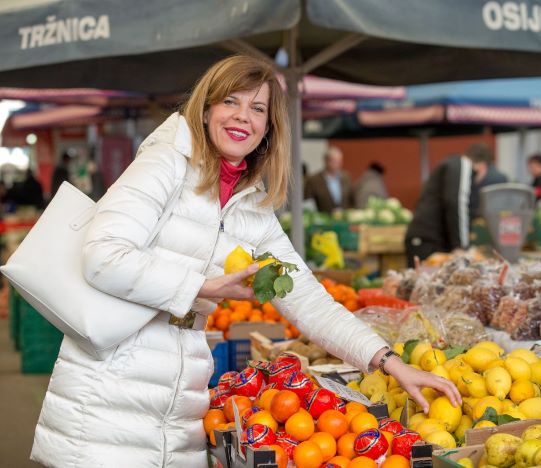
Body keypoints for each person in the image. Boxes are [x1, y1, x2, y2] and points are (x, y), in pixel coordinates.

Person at [30, 55, 459, 468]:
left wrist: (390, 362)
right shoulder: (165, 163)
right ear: (205, 109)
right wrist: (206, 287)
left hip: (183, 389)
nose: (243, 117)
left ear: (268, 129)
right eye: (230, 101)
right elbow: (103, 256)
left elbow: (308, 300)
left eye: (257, 108)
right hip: (111, 384)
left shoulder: (251, 208)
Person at [404, 143, 507, 264]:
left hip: (424, 240)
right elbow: (457, 203)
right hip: (429, 242)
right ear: (483, 167)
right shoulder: (464, 165)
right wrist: (461, 246)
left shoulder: (451, 165)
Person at [304, 146, 353, 213]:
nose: (337, 165)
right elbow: (308, 203)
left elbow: (351, 198)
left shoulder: (346, 177)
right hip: (322, 219)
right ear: (326, 161)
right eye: (334, 161)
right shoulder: (313, 180)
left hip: (343, 218)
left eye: (339, 161)